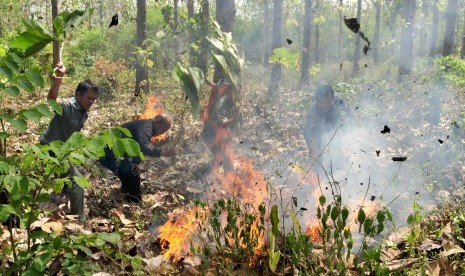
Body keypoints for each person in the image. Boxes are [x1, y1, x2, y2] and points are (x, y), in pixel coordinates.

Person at [40, 62, 99, 222]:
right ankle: (79, 221)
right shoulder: (68, 106)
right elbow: (52, 100)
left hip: (63, 152)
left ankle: (64, 211)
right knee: (78, 184)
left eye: (94, 99)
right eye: (89, 98)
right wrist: (59, 78)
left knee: (64, 185)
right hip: (49, 150)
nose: (92, 101)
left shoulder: (84, 112)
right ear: (78, 95)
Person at [99, 114, 173, 203]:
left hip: (116, 152)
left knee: (133, 170)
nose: (162, 133)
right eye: (163, 129)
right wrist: (161, 152)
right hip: (107, 153)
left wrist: (135, 163)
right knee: (131, 173)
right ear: (157, 122)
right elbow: (143, 147)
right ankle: (133, 202)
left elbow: (136, 147)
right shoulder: (146, 128)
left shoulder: (146, 126)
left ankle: (128, 197)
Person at [303, 84, 350, 172]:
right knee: (317, 146)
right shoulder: (313, 112)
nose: (324, 105)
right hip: (319, 124)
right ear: (316, 100)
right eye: (321, 102)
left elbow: (349, 115)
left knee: (336, 143)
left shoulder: (339, 103)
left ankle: (338, 169)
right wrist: (312, 148)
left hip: (334, 121)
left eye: (328, 102)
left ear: (333, 99)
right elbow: (307, 131)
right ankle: (317, 171)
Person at [201, 80, 240, 174]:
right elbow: (220, 122)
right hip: (212, 132)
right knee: (222, 156)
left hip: (211, 132)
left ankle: (227, 175)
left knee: (221, 156)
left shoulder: (221, 97)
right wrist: (233, 119)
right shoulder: (223, 101)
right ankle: (228, 176)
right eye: (226, 88)